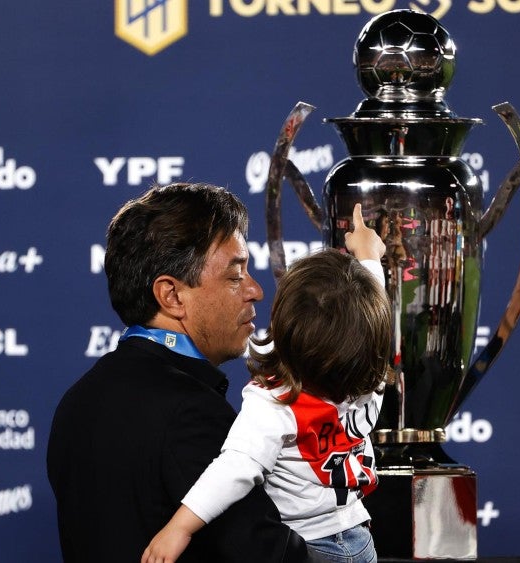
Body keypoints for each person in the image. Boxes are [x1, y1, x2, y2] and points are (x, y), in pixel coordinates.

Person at [46, 182, 318, 562]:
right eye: (235, 276)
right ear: (171, 296)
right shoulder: (192, 413)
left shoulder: (77, 401)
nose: (255, 290)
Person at [142, 203, 392, 563]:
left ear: (285, 324)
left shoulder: (276, 402)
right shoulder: (373, 378)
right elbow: (372, 313)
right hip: (359, 541)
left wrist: (180, 527)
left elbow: (234, 470)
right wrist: (369, 257)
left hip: (309, 548)